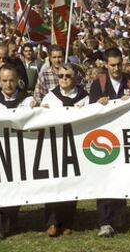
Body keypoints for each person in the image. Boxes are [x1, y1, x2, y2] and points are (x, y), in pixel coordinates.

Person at [89, 47, 130, 237]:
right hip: (104, 138)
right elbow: (90, 110)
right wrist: (98, 104)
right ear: (105, 64)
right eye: (112, 65)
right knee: (104, 178)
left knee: (123, 176)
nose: (116, 68)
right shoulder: (98, 84)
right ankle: (105, 221)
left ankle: (120, 211)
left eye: (119, 64)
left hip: (125, 138)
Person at [0, 64, 34, 239]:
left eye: (11, 80)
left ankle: (12, 219)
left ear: (17, 81)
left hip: (20, 152)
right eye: (4, 81)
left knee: (15, 188)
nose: (8, 84)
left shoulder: (27, 100)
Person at [40, 63, 89, 237]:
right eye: (61, 76)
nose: (64, 79)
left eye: (68, 76)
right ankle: (52, 222)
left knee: (71, 184)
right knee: (53, 184)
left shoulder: (84, 97)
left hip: (74, 146)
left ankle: (67, 222)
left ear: (75, 77)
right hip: (54, 145)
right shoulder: (50, 98)